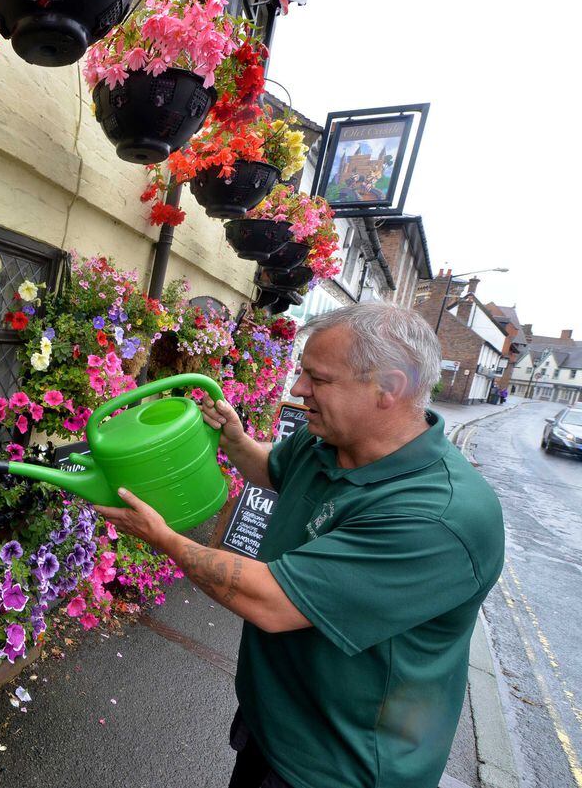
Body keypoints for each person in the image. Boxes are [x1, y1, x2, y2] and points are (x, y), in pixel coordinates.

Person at [96, 303, 504, 788]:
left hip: (336, 766)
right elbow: (272, 470)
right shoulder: (327, 441)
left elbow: (271, 601)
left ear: (388, 388)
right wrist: (235, 441)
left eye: (318, 379)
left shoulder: (439, 517)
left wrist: (164, 538)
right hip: (275, 722)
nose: (297, 390)